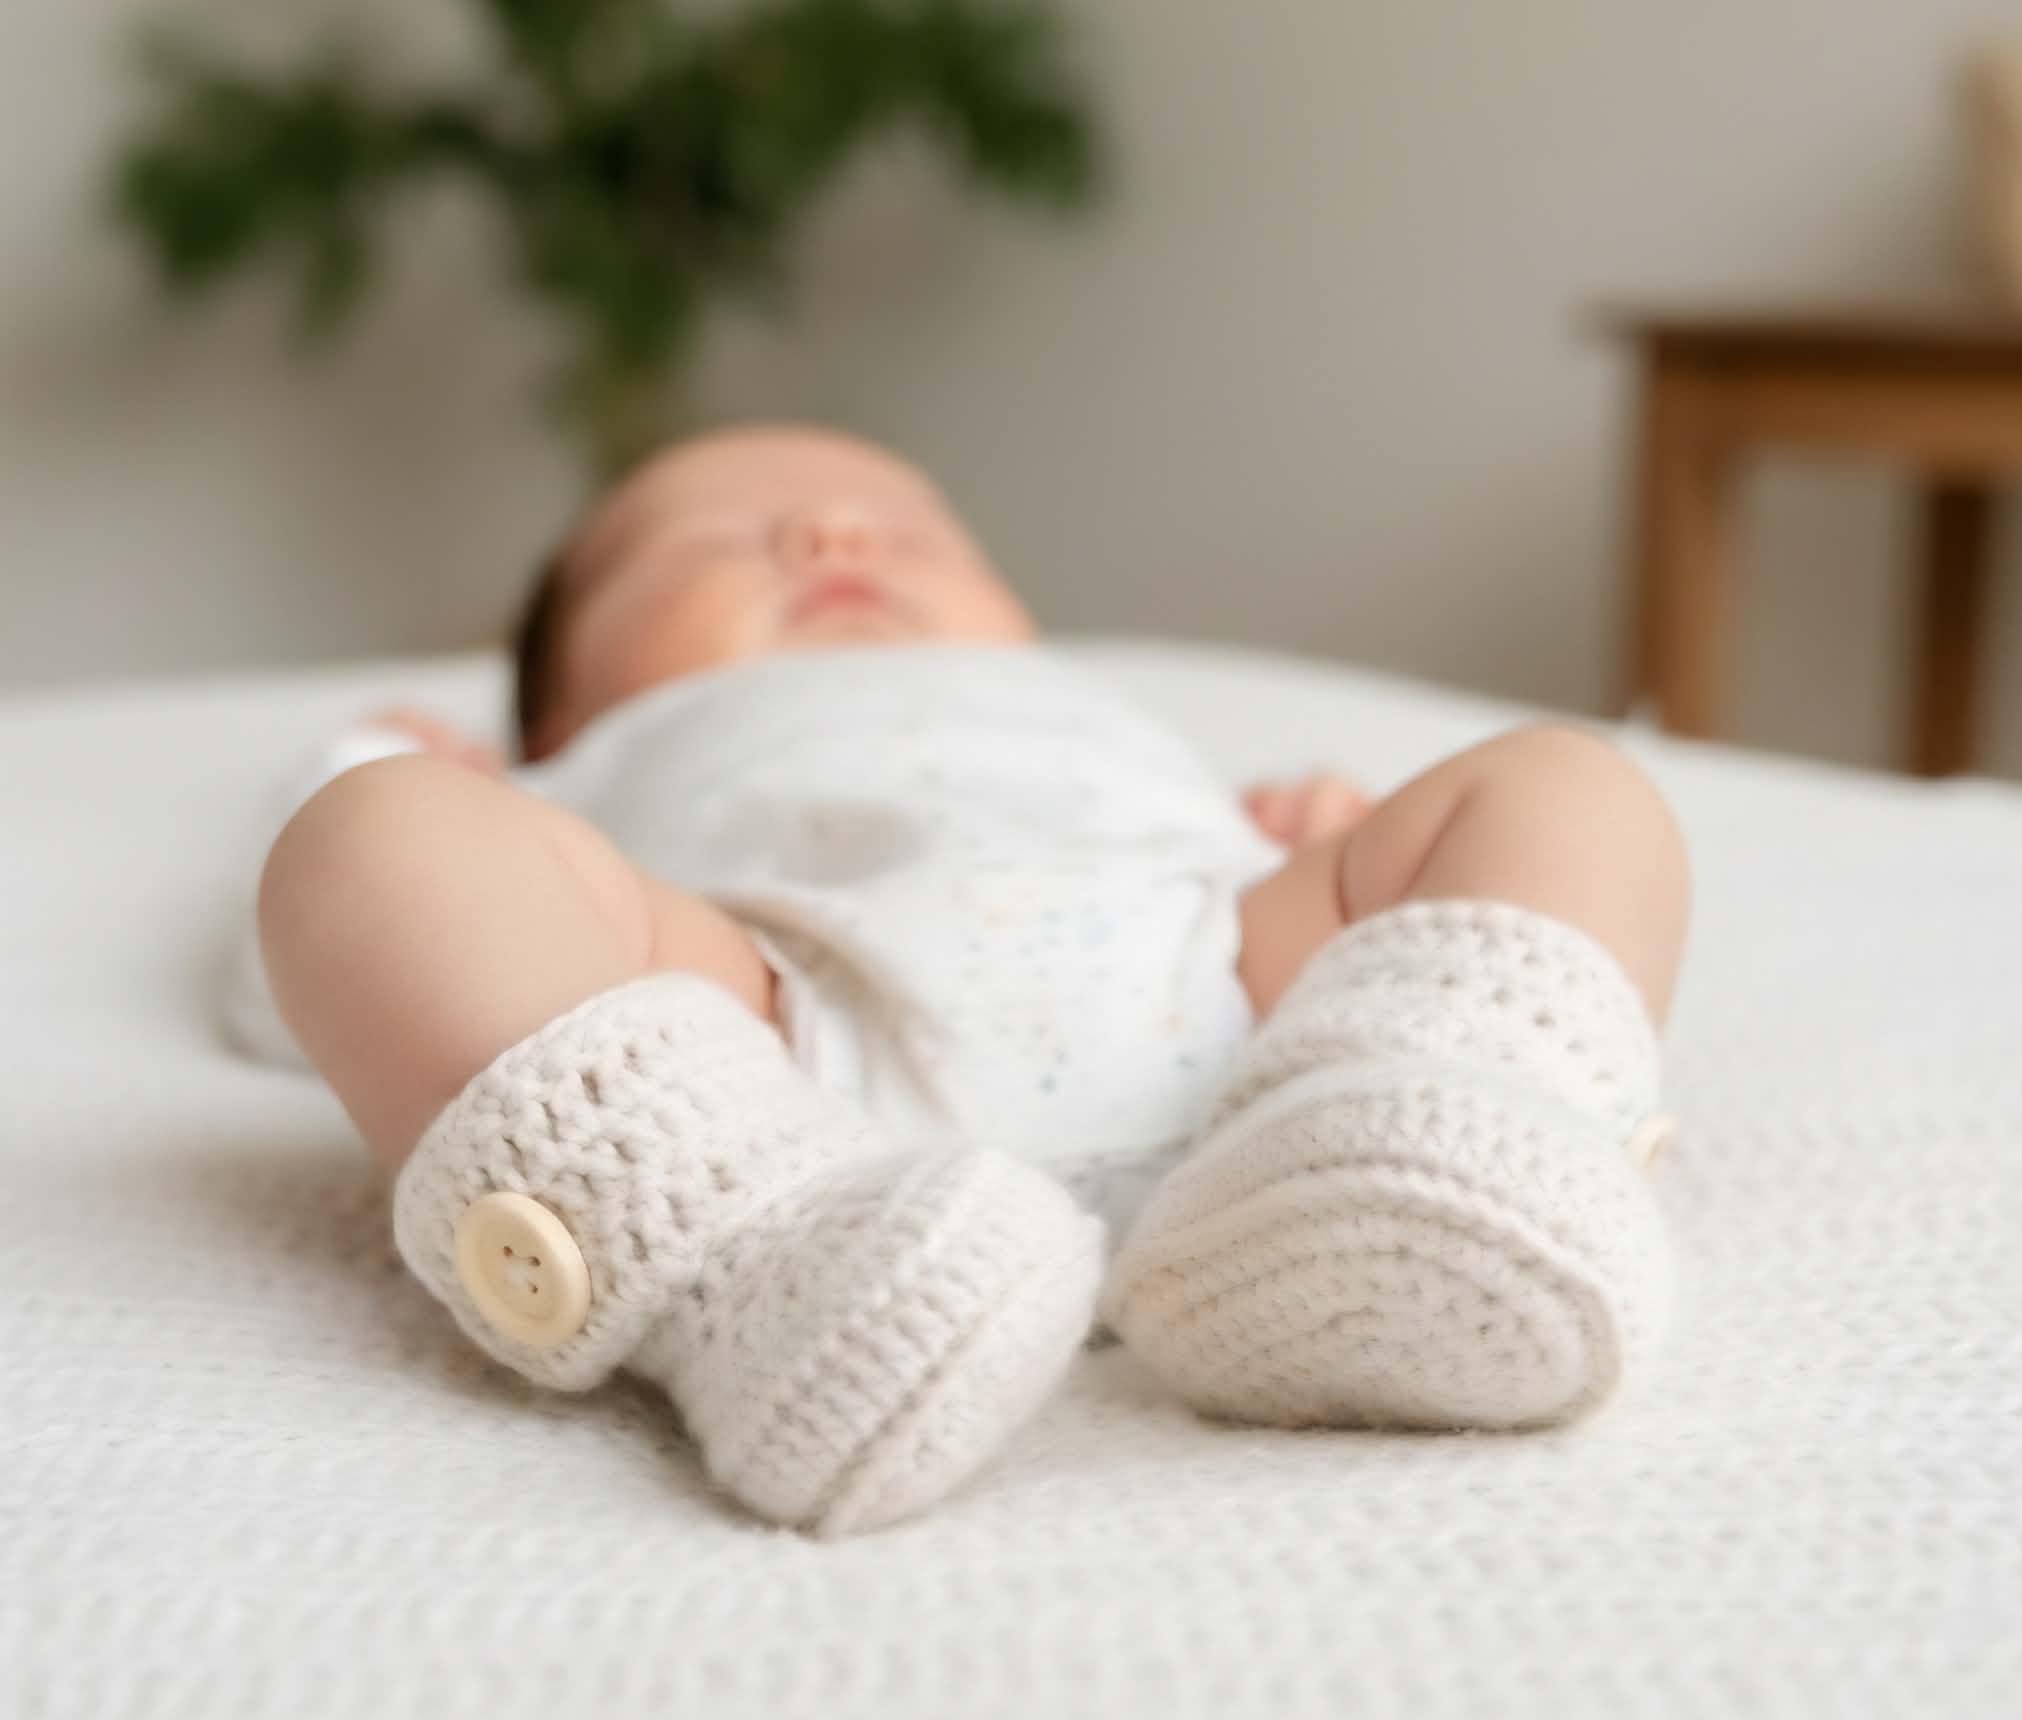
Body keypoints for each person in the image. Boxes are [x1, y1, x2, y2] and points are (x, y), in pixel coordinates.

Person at [253, 423, 1689, 1538]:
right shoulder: (585, 761)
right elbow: (298, 1006)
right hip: (769, 1050)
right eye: (712, 541)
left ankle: (1429, 1134)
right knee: (365, 853)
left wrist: (1331, 848)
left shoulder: (1087, 711)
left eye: (912, 531)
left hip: (1240, 1019)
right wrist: (394, 779)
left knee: (1568, 784)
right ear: (557, 707)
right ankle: (750, 1273)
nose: (832, 530)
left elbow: (1320, 863)